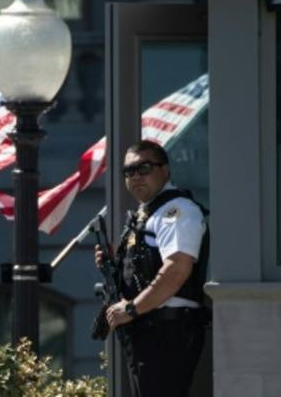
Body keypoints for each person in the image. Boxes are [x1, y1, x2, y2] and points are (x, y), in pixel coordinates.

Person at [95, 140, 209, 397]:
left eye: (144, 167)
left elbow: (177, 269)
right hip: (148, 329)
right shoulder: (147, 214)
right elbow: (146, 268)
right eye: (129, 171)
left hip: (167, 331)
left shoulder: (176, 211)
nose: (136, 176)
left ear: (165, 170)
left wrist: (133, 308)